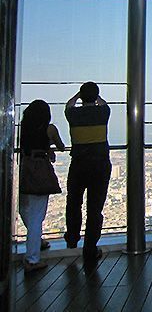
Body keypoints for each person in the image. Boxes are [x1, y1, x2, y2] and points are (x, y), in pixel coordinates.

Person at [64, 82, 112, 263]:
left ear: (82, 97)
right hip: (100, 165)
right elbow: (104, 103)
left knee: (74, 201)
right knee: (95, 207)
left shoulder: (73, 114)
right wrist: (92, 96)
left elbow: (69, 104)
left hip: (78, 164)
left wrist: (79, 95)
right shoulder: (103, 112)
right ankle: (90, 248)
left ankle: (72, 238)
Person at [18, 100, 65, 272]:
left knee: (24, 208)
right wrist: (49, 147)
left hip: (24, 167)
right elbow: (61, 146)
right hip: (40, 170)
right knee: (37, 214)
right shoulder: (49, 128)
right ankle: (32, 259)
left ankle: (36, 242)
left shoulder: (23, 127)